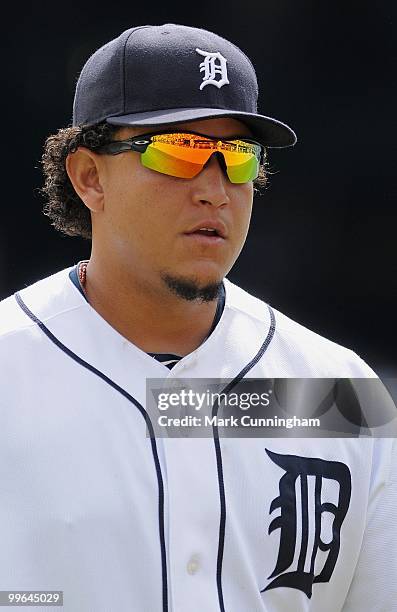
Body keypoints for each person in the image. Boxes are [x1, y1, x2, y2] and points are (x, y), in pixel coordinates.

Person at [0, 23, 395, 612]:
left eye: (238, 159)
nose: (215, 190)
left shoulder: (339, 391)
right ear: (89, 176)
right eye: (179, 151)